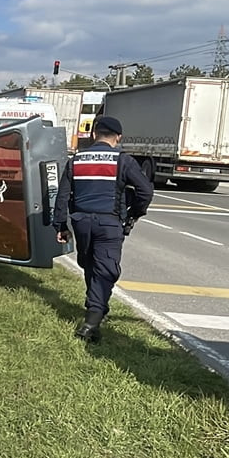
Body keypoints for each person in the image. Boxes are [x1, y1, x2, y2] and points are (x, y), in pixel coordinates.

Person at [53, 115, 153, 343]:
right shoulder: (123, 160)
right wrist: (134, 213)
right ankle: (90, 323)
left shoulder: (76, 160)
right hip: (109, 223)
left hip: (81, 222)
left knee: (90, 266)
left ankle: (95, 316)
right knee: (105, 270)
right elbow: (145, 191)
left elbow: (62, 195)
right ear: (118, 137)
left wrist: (61, 225)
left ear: (93, 134)